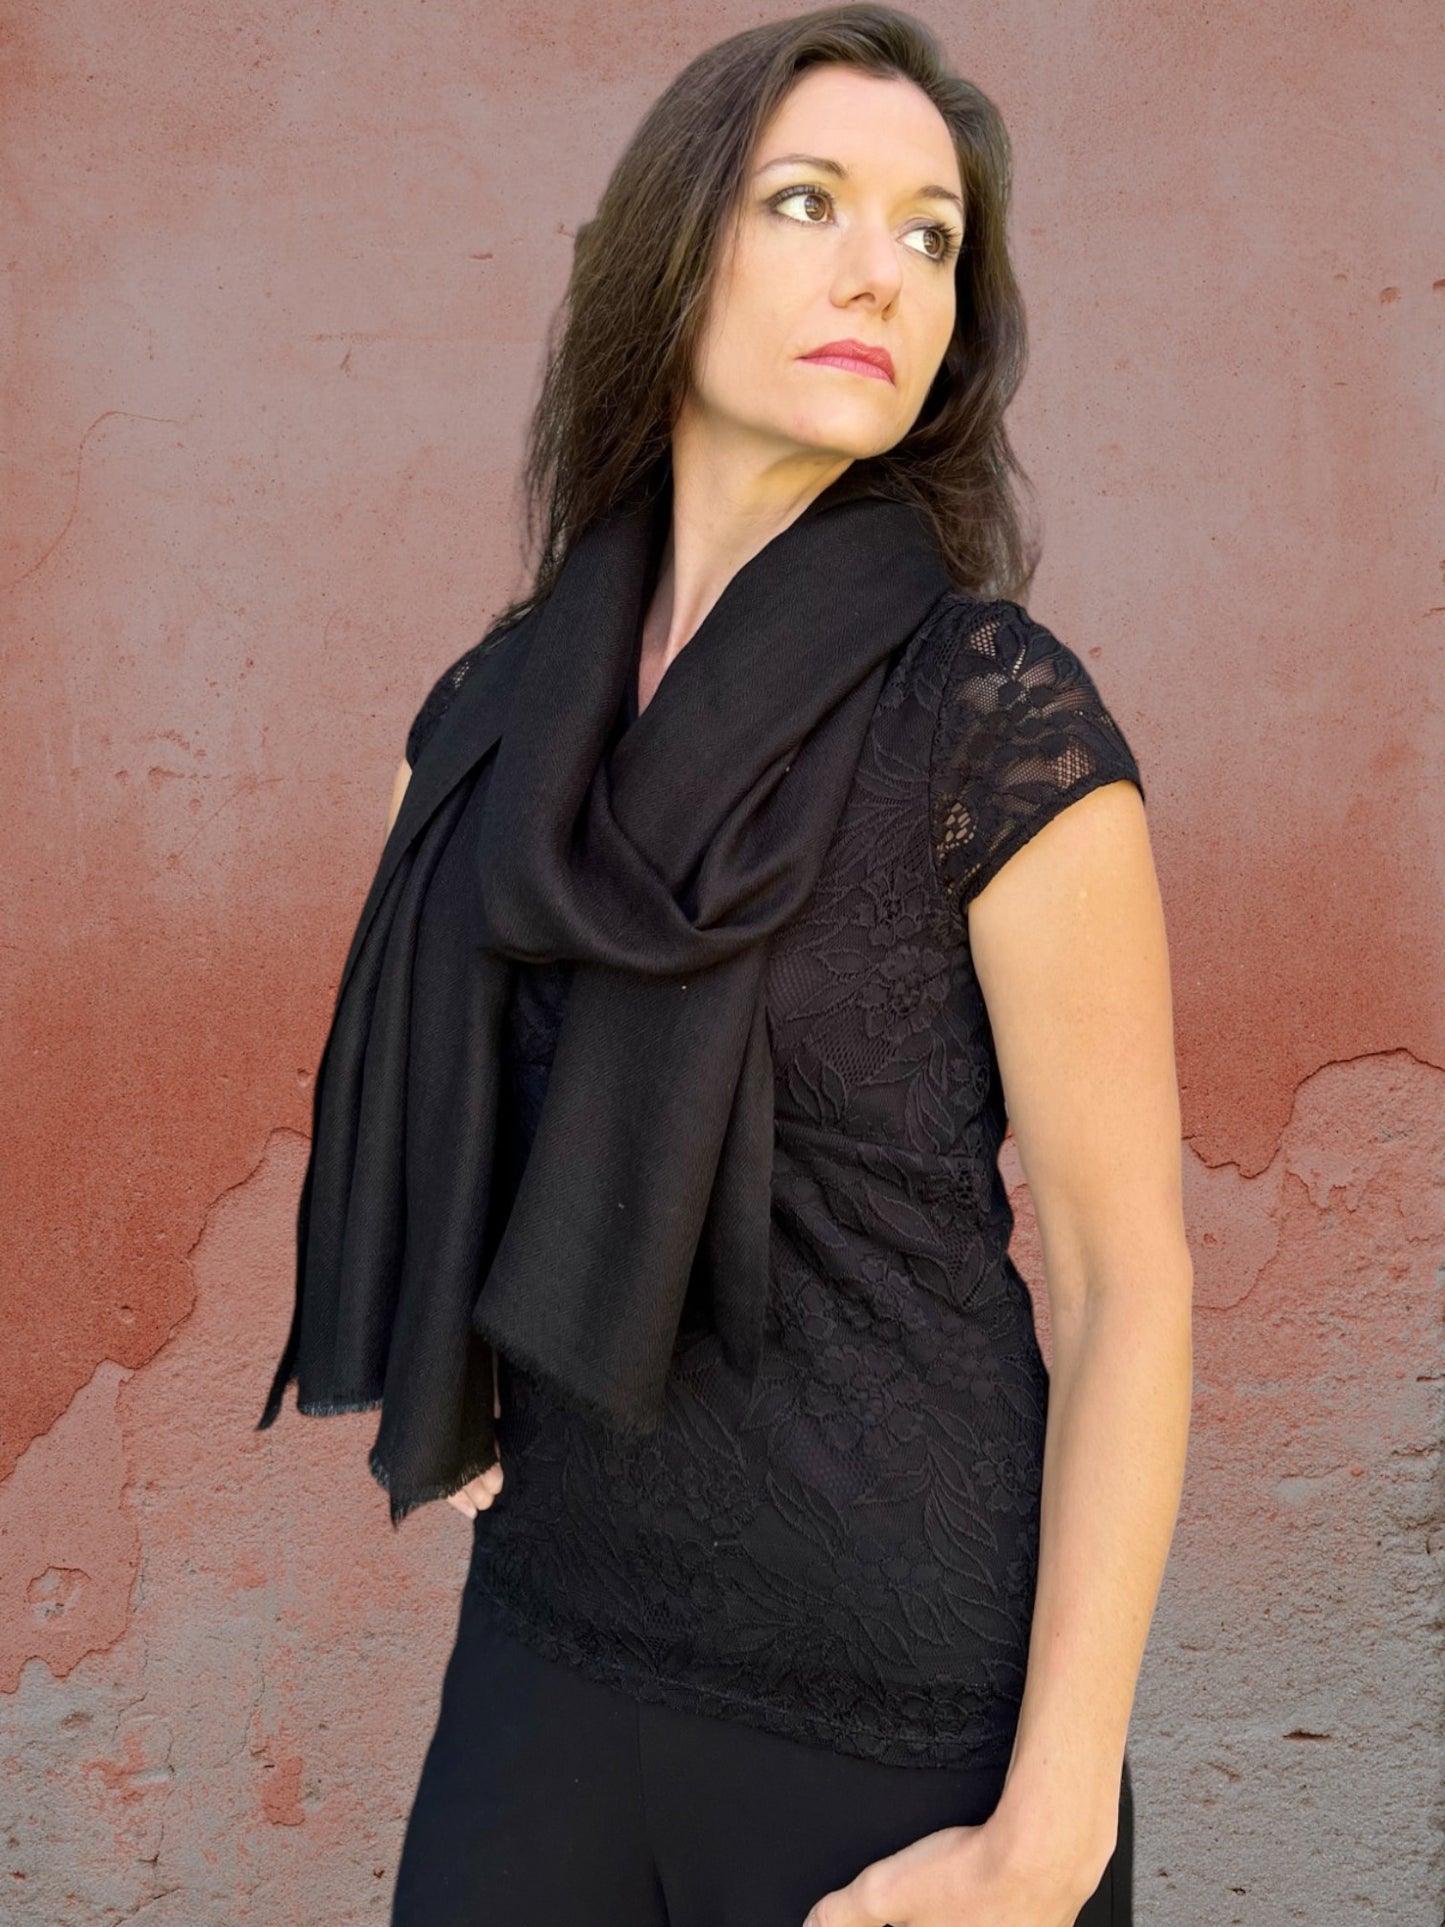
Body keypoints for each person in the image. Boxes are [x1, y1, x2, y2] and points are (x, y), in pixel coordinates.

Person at [256, 7, 1193, 1924]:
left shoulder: (987, 719)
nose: (881, 271)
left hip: (902, 1714)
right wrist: (445, 1339)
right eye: (808, 202)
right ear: (669, 251)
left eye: (931, 236)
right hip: (548, 1659)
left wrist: (1051, 1829)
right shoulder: (492, 723)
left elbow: (1124, 1285)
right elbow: (441, 1092)